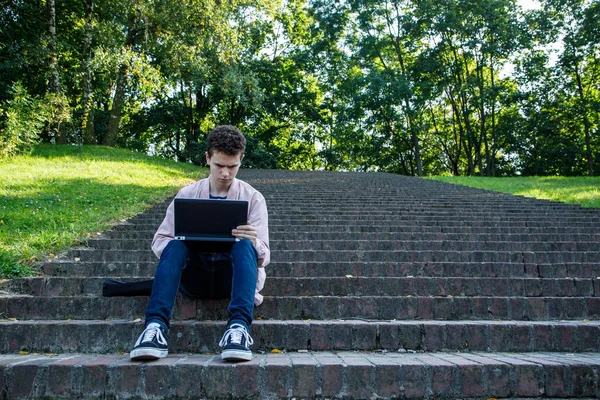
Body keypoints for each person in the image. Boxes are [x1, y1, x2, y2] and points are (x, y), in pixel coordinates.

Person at [129, 125, 270, 362]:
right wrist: (187, 239)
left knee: (246, 245)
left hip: (231, 278)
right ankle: (155, 329)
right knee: (174, 244)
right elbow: (159, 241)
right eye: (219, 166)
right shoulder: (186, 194)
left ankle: (238, 329)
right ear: (207, 158)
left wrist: (253, 241)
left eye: (232, 166)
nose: (225, 173)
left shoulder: (253, 198)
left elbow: (265, 254)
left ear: (241, 160)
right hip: (194, 276)